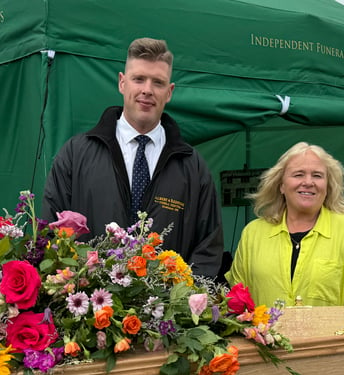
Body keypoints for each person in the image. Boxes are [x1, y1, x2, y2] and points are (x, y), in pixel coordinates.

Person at [42, 37, 223, 278]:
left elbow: (208, 246)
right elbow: (50, 232)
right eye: (139, 79)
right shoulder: (76, 154)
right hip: (92, 308)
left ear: (169, 92)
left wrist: (183, 302)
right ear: (122, 83)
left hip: (166, 312)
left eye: (158, 82)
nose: (147, 90)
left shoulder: (192, 166)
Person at [225, 142, 344, 307]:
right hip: (265, 333)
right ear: (281, 185)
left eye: (317, 175)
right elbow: (237, 299)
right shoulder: (253, 232)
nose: (308, 182)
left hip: (329, 334)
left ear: (328, 186)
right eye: (298, 174)